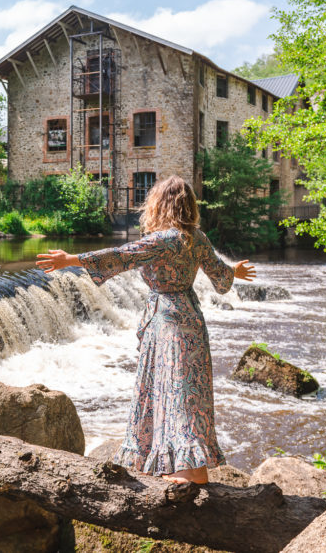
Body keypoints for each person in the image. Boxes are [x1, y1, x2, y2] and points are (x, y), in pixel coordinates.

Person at [35, 175, 254, 485]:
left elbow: (122, 256)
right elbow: (220, 278)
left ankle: (188, 473)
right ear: (188, 206)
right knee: (188, 394)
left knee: (172, 392)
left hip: (166, 322)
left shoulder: (162, 239)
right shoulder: (198, 238)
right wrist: (235, 271)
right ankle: (184, 466)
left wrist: (70, 259)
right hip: (190, 317)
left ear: (159, 205)